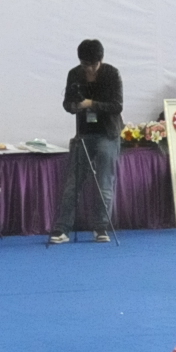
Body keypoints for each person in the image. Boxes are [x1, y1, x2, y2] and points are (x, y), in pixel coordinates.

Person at [50, 39, 123, 243]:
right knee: (73, 183)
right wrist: (74, 106)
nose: (89, 69)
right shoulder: (74, 74)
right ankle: (62, 229)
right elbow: (67, 103)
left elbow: (117, 106)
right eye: (85, 65)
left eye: (93, 65)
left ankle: (101, 227)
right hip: (84, 132)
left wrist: (91, 103)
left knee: (104, 182)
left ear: (101, 60)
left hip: (108, 133)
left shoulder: (112, 74)